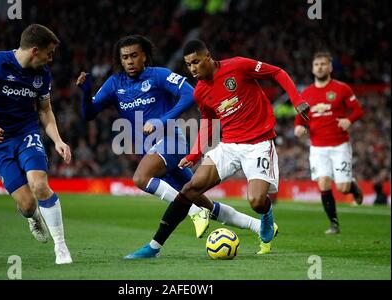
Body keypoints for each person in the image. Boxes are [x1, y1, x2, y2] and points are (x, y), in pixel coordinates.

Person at [76, 36, 267, 257]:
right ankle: (259, 225)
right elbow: (88, 114)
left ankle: (195, 214)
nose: (129, 61)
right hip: (151, 149)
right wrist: (85, 92)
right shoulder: (114, 83)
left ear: (144, 56)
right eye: (125, 57)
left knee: (140, 178)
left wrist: (163, 120)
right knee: (202, 201)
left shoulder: (158, 75)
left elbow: (190, 94)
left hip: (172, 141)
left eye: (134, 56)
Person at [124, 39, 310, 259]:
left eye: (196, 62)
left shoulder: (238, 66)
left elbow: (277, 73)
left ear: (208, 57)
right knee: (190, 189)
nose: (192, 69)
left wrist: (297, 101)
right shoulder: (200, 91)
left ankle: (266, 215)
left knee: (256, 201)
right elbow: (208, 121)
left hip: (258, 144)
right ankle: (154, 246)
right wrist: (195, 153)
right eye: (188, 64)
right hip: (229, 145)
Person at [0, 24, 72, 264]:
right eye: (49, 53)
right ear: (35, 50)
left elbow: (45, 110)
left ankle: (61, 248)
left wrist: (57, 140)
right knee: (26, 204)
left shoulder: (42, 74)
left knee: (40, 185)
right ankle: (33, 217)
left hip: (26, 133)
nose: (51, 58)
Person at [294, 51, 364, 234]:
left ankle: (353, 187)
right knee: (323, 183)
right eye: (317, 64)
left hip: (339, 144)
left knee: (342, 188)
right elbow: (299, 120)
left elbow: (357, 110)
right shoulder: (306, 93)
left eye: (324, 64)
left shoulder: (342, 89)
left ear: (330, 67)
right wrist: (299, 129)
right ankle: (334, 224)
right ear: (312, 68)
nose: (320, 67)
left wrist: (349, 120)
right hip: (317, 147)